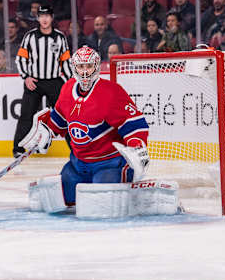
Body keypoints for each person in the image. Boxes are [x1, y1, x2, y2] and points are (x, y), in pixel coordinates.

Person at [18, 46, 149, 210]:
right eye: (81, 66)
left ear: (97, 66)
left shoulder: (111, 92)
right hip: (78, 165)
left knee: (102, 202)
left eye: (89, 66)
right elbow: (58, 119)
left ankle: (131, 191)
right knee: (58, 200)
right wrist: (46, 133)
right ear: (74, 67)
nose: (85, 72)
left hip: (109, 163)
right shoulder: (67, 89)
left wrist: (136, 146)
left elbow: (135, 124)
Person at [14, 5, 72, 158]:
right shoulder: (30, 36)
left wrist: (69, 83)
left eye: (47, 16)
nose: (44, 19)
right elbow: (20, 59)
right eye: (41, 16)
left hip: (54, 82)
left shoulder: (60, 37)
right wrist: (26, 76)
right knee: (26, 115)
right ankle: (18, 149)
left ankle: (76, 149)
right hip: (35, 82)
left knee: (64, 116)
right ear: (38, 18)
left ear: (52, 18)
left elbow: (66, 62)